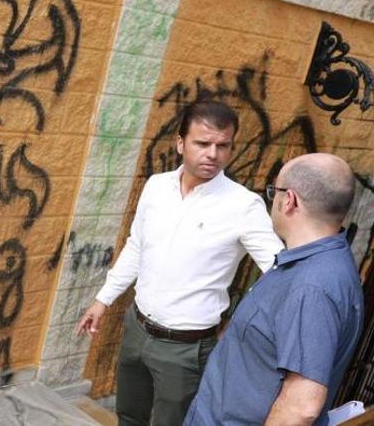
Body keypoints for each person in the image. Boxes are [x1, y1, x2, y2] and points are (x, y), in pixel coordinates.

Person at [75, 99, 284, 425]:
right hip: (137, 327)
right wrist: (103, 299)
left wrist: (243, 321)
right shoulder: (157, 187)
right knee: (129, 415)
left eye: (222, 145)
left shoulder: (244, 206)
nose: (213, 154)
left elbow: (279, 272)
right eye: (203, 143)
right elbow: (137, 247)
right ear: (180, 143)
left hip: (186, 349)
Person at [185, 153, 364, 425]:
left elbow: (302, 406)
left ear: (289, 200)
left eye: (274, 192)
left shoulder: (311, 287)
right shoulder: (315, 264)